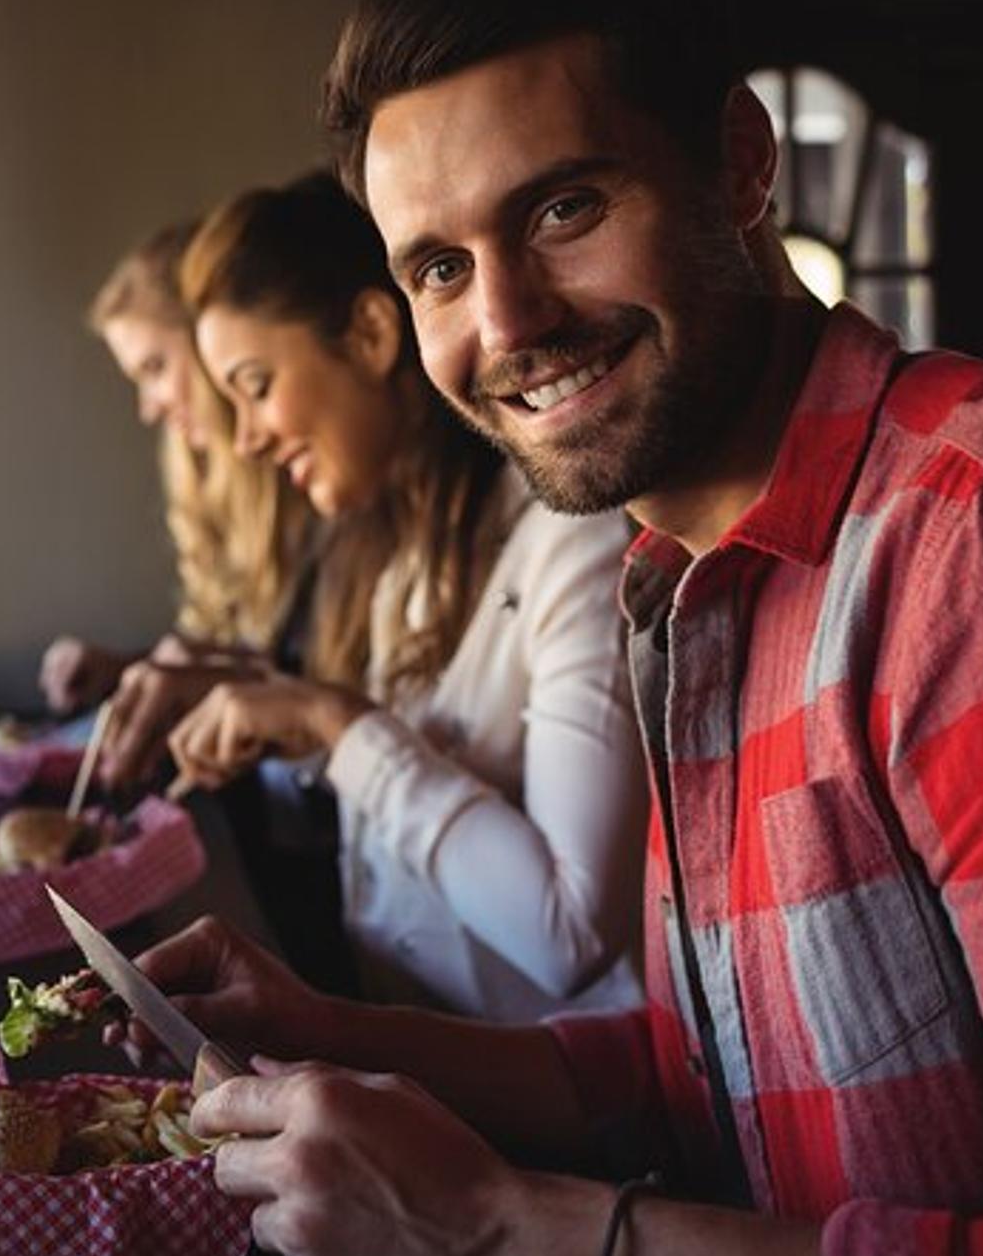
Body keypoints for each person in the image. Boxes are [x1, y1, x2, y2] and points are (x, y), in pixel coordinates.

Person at [114, 0, 983, 1256]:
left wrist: (495, 1237)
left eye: (564, 207)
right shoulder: (678, 569)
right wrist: (333, 1037)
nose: (507, 322)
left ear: (739, 163)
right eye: (437, 267)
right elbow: (710, 1068)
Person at [157, 172, 647, 1020]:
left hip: (576, 1126)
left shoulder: (573, 542)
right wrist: (250, 703)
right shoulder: (393, 552)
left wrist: (336, 722)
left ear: (372, 334)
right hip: (421, 1078)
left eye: (256, 384)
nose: (246, 438)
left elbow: (569, 935)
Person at [39, 219, 315, 716]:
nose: (150, 409)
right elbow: (245, 667)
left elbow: (320, 690)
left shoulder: (323, 482)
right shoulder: (219, 500)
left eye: (155, 369)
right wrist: (124, 669)